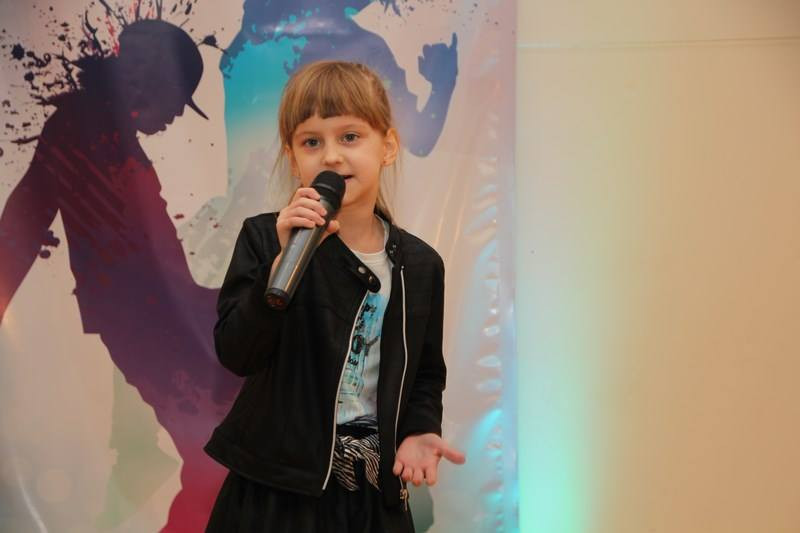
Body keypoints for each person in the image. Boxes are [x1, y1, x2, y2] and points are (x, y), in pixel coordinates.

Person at [204, 60, 465, 532]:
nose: (331, 156)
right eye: (311, 142)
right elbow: (236, 353)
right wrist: (279, 266)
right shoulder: (266, 239)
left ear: (387, 146)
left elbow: (425, 371)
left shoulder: (421, 265)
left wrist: (419, 429)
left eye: (349, 137)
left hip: (372, 493)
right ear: (292, 158)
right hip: (276, 491)